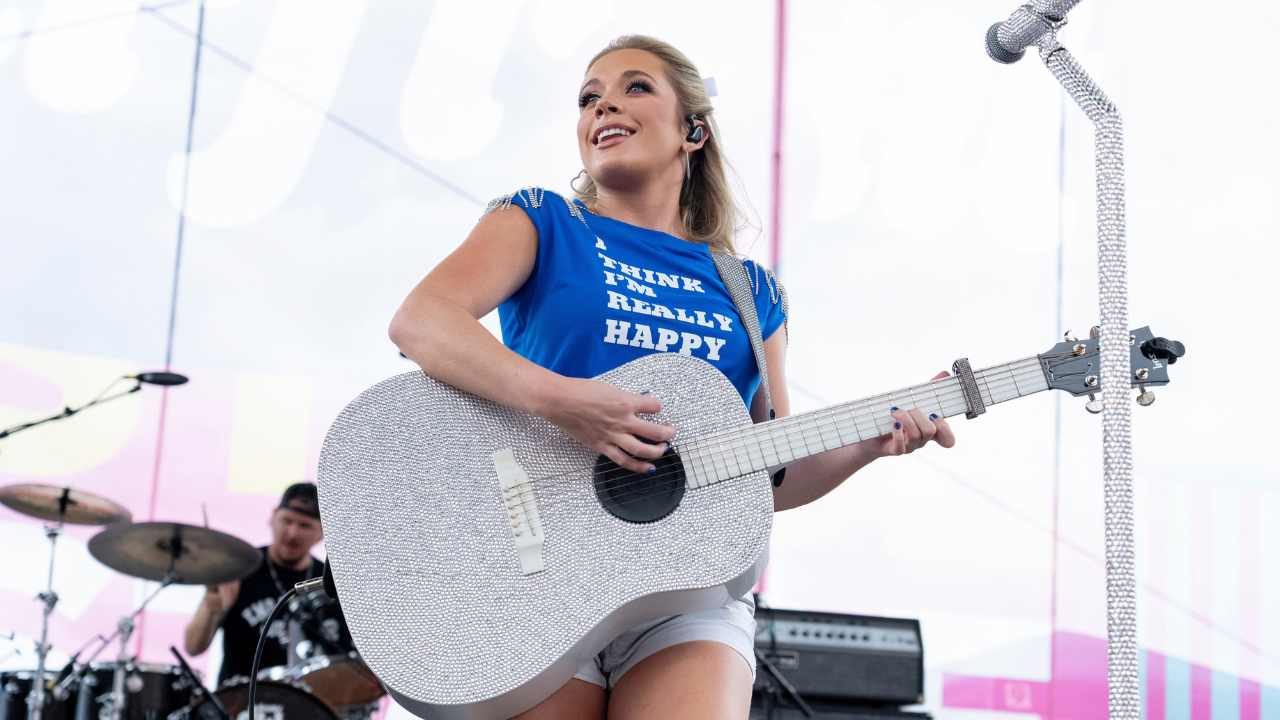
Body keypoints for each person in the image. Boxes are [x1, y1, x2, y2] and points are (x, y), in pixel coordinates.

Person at [388, 35, 956, 720]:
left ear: (694, 130)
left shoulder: (751, 291)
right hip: (530, 571)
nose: (603, 106)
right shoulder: (541, 219)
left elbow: (765, 479)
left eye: (634, 86)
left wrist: (866, 443)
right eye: (588, 97)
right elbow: (421, 322)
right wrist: (566, 402)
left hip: (686, 588)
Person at [184, 482, 327, 685]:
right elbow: (192, 647)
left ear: (322, 532)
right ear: (272, 518)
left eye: (305, 526)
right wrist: (212, 607)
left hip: (305, 697)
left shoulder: (329, 582)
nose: (292, 533)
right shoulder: (240, 569)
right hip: (239, 697)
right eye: (287, 521)